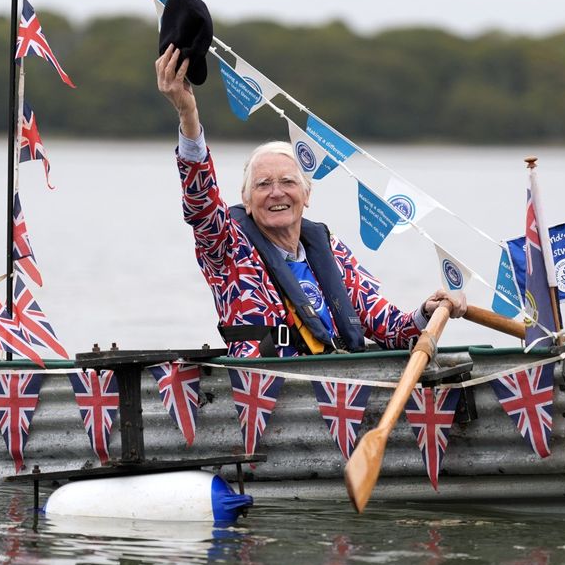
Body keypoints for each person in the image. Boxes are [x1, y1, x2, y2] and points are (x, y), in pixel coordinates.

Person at [156, 45, 466, 358]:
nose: (277, 193)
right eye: (263, 185)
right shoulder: (228, 246)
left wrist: (428, 311)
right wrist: (188, 114)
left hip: (340, 382)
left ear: (307, 195)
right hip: (266, 387)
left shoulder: (330, 249)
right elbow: (201, 203)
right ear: (247, 202)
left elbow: (390, 329)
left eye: (288, 182)